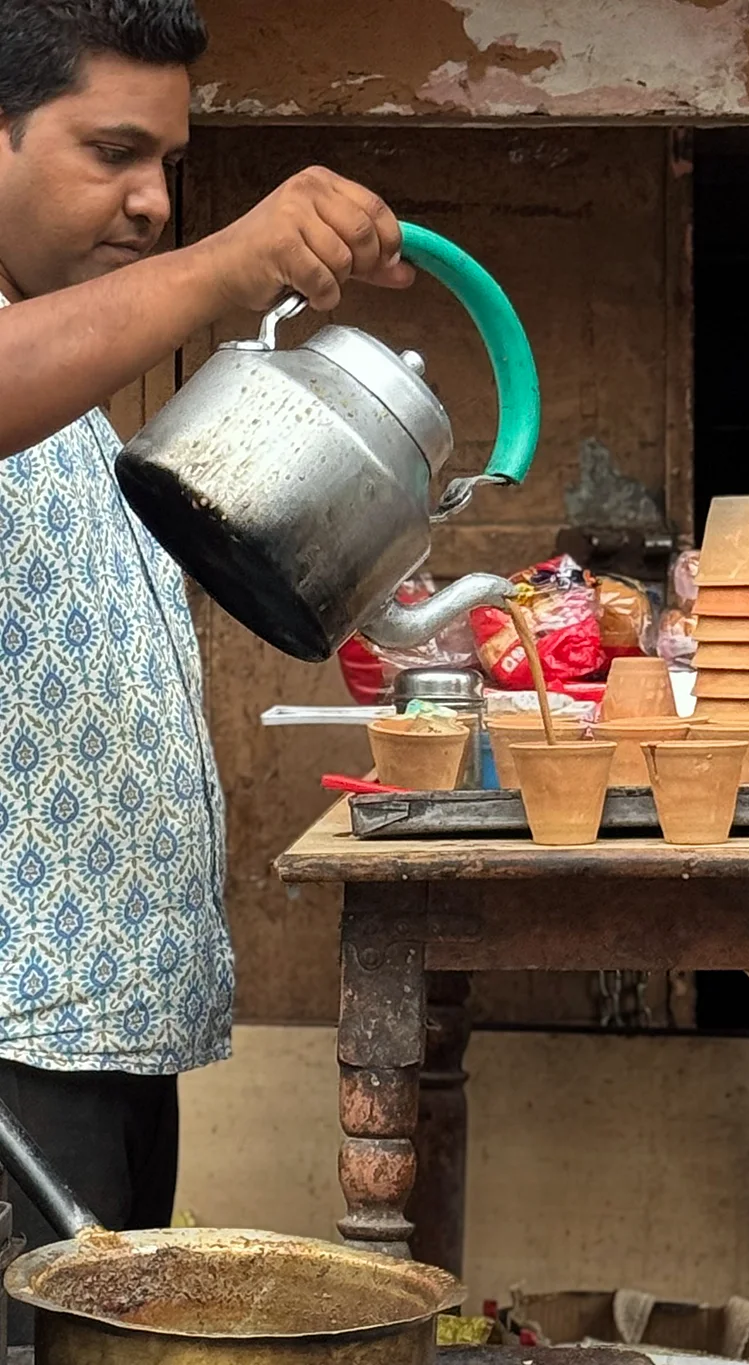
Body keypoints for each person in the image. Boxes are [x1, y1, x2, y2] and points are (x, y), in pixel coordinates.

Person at [0, 2, 413, 1344]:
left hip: (105, 1028)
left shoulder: (64, 369)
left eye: (169, 165)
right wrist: (227, 264)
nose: (152, 201)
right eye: (112, 151)